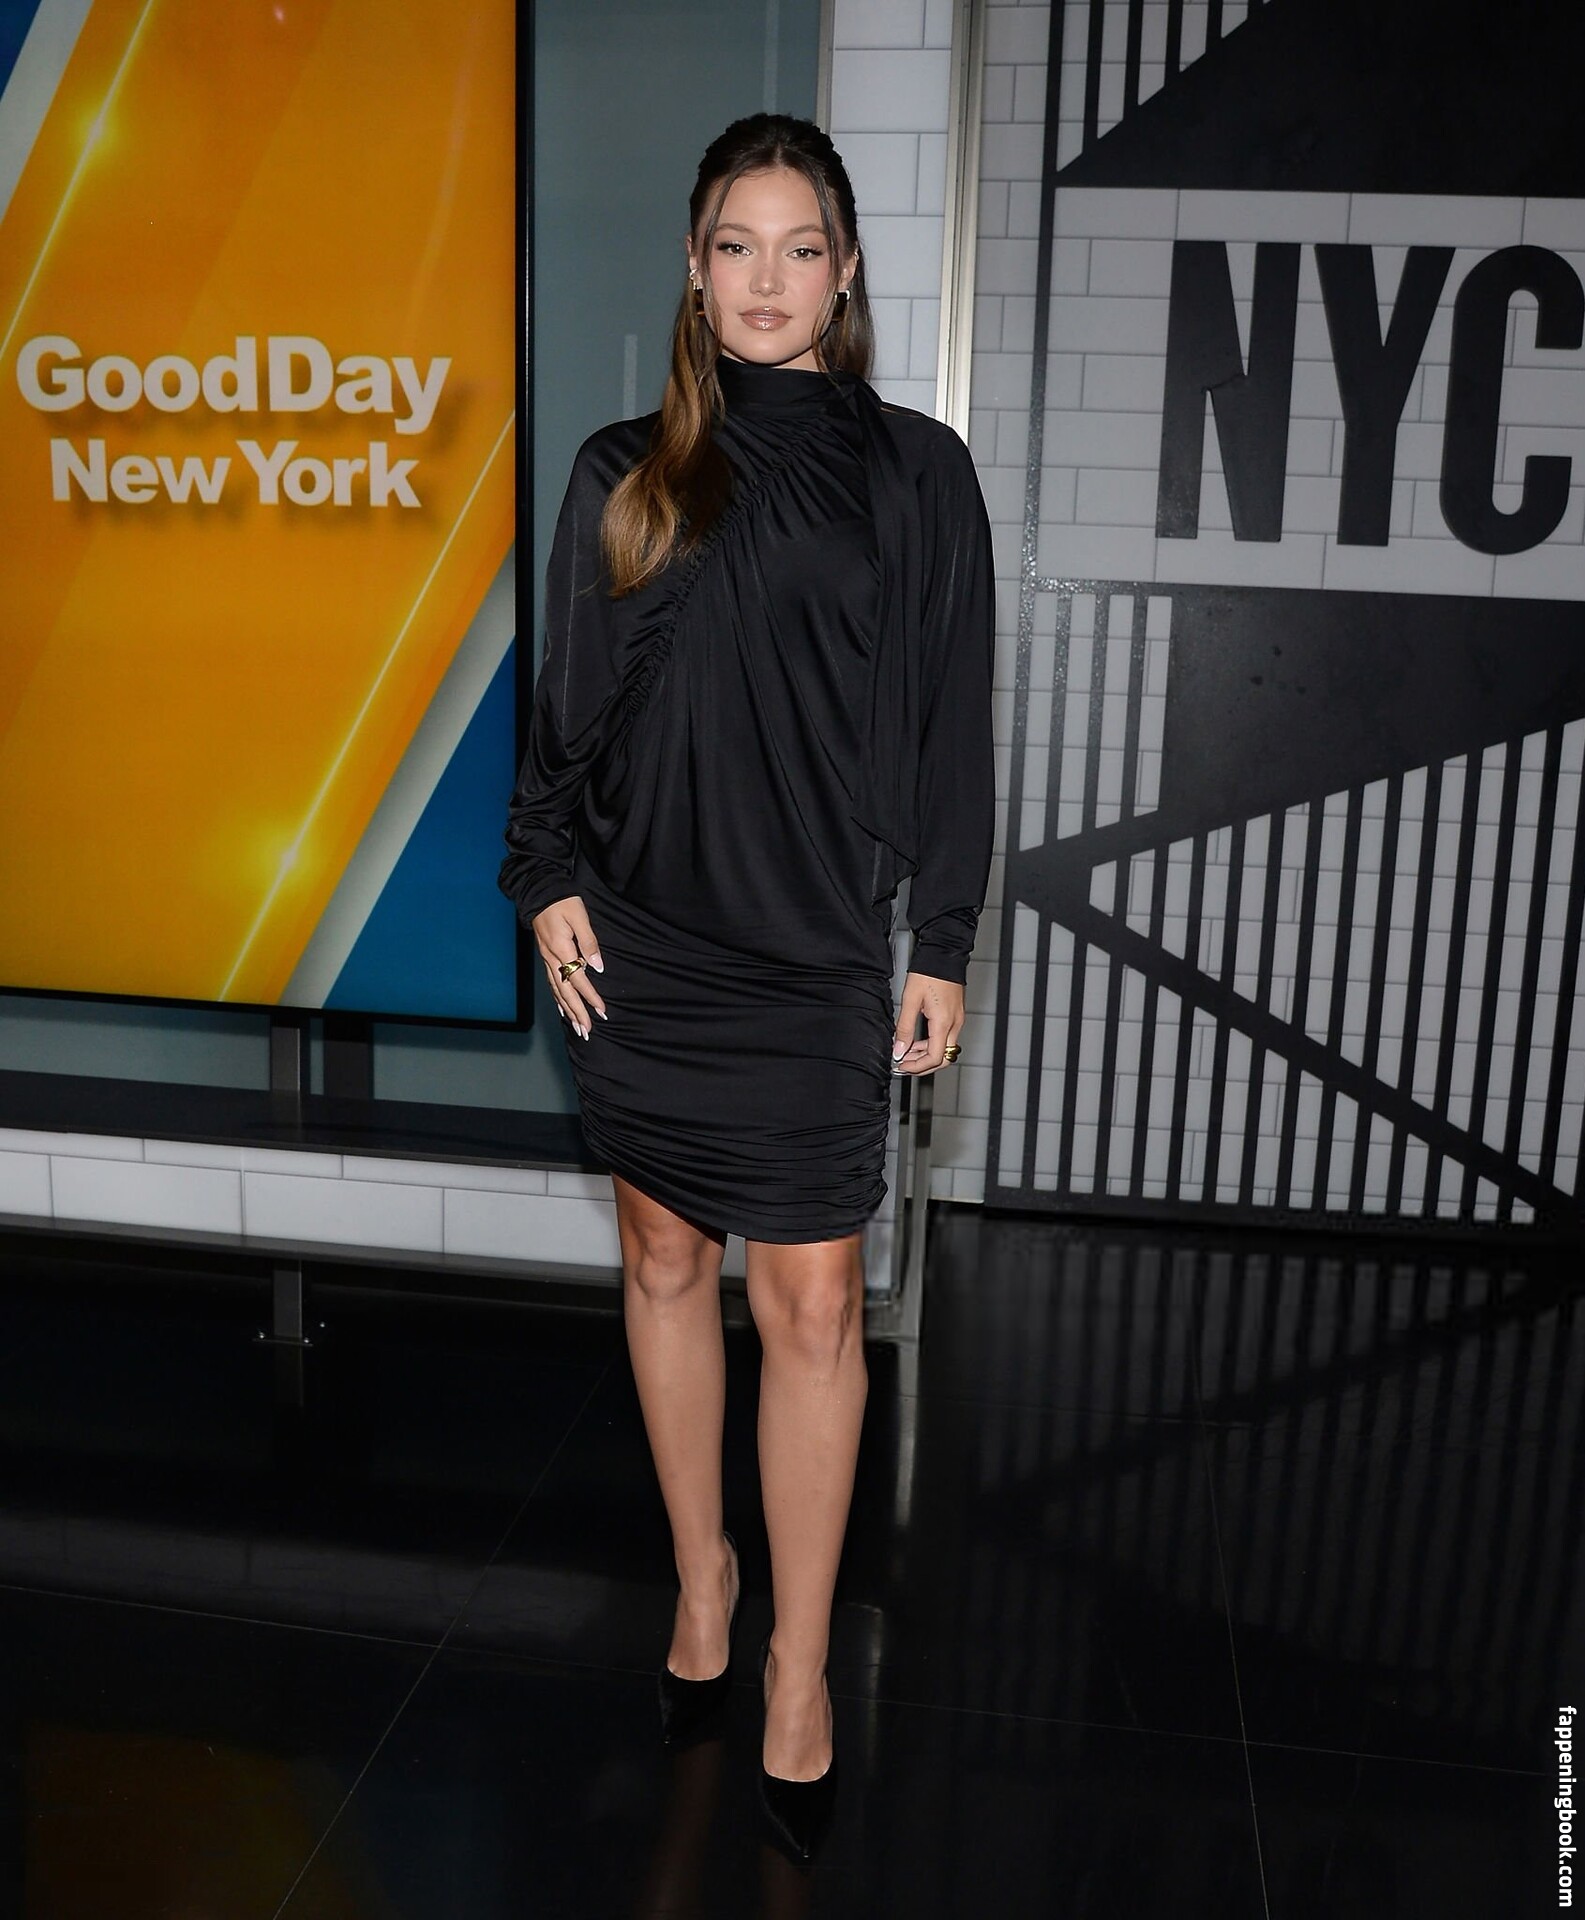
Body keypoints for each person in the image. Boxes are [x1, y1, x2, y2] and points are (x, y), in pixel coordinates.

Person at [498, 112, 994, 1863]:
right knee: (659, 1261)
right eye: (735, 246)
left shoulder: (918, 475)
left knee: (810, 1307)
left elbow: (951, 717)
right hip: (646, 942)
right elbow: (563, 713)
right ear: (693, 274)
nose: (767, 277)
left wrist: (943, 937)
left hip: (813, 952)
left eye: (799, 247)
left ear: (844, 273)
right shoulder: (623, 470)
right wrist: (542, 874)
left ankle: (798, 1663)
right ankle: (700, 1577)